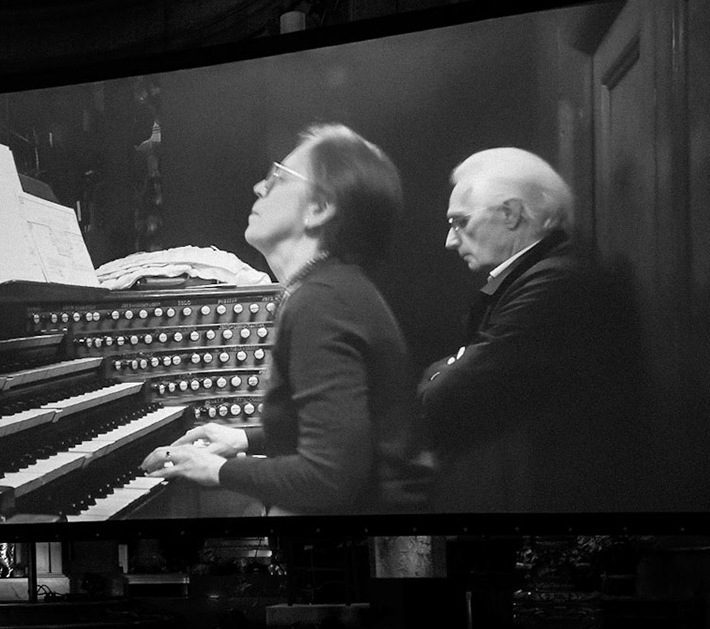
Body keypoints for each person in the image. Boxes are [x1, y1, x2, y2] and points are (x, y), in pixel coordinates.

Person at [139, 124, 429, 514]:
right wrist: (244, 439)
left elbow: (327, 479)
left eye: (277, 177)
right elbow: (346, 435)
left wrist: (218, 470)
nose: (260, 188)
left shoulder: (323, 302)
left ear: (319, 208)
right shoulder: (332, 288)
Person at [416, 147, 612, 513]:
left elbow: (447, 395)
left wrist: (443, 373)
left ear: (511, 213)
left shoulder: (556, 282)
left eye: (460, 222)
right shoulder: (540, 275)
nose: (450, 240)